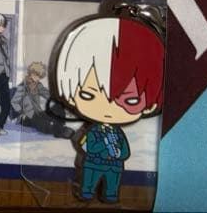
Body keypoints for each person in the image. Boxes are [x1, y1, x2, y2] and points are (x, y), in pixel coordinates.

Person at [53, 16, 163, 204]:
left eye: (131, 100)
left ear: (151, 105)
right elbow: (86, 145)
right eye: (88, 95)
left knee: (112, 185)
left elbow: (125, 150)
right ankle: (87, 192)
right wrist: (103, 151)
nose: (109, 108)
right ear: (71, 96)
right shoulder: (92, 131)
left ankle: (110, 194)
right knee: (88, 182)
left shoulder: (117, 133)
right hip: (93, 163)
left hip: (114, 167)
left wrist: (119, 154)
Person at [11, 61, 73, 139]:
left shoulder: (38, 85)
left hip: (38, 112)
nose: (38, 78)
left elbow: (47, 94)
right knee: (44, 125)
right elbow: (14, 102)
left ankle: (60, 127)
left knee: (58, 107)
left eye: (40, 77)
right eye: (37, 75)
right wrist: (21, 113)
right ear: (31, 73)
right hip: (28, 116)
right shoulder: (22, 87)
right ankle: (59, 131)